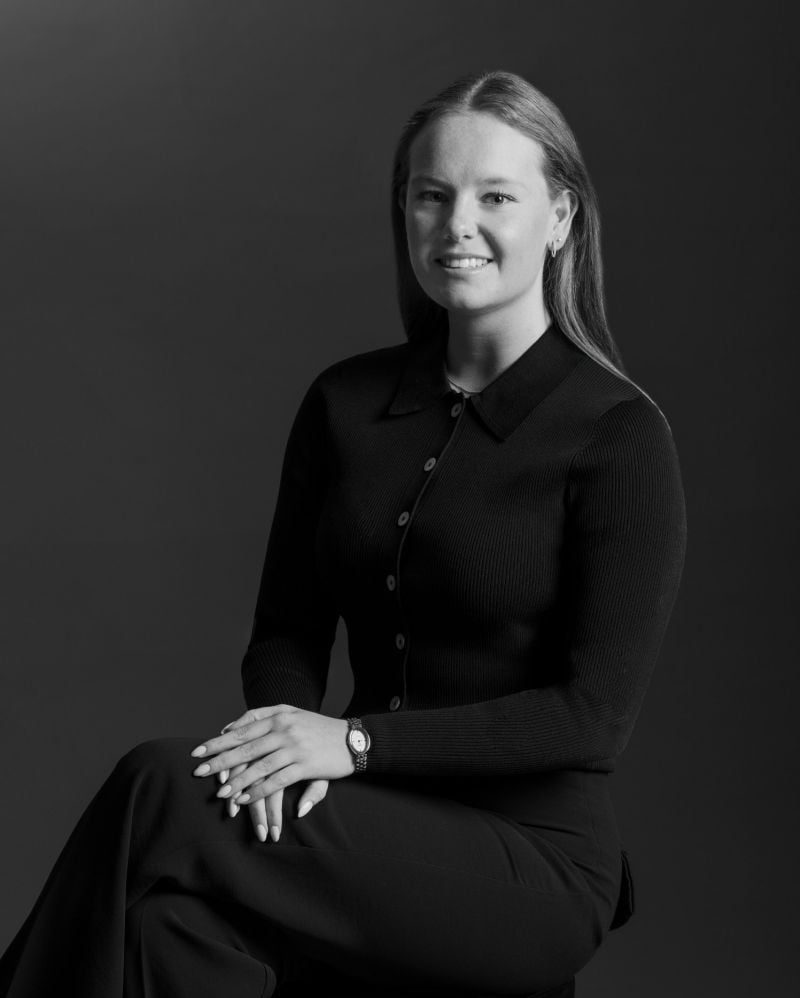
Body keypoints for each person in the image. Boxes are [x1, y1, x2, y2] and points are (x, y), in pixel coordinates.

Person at [0, 69, 687, 998]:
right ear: (404, 210)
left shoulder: (617, 434)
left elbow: (590, 717)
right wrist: (280, 754)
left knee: (160, 784)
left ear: (559, 217)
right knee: (166, 927)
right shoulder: (344, 404)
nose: (457, 226)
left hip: (530, 864)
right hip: (357, 828)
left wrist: (354, 744)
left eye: (496, 197)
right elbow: (286, 631)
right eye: (431, 196)